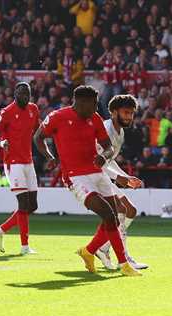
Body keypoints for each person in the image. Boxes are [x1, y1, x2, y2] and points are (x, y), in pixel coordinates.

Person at [34, 85, 141, 276]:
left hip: (98, 174)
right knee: (110, 215)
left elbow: (107, 148)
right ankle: (124, 264)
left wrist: (103, 156)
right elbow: (38, 137)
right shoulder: (57, 117)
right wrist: (50, 157)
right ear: (81, 102)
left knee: (115, 217)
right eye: (93, 105)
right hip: (76, 177)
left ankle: (89, 251)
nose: (96, 109)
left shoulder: (95, 119)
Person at [94, 94, 148, 270]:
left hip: (103, 174)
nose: (129, 117)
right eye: (126, 112)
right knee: (123, 210)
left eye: (131, 113)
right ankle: (123, 257)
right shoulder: (106, 129)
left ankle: (103, 248)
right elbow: (98, 161)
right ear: (114, 112)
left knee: (130, 210)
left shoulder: (120, 132)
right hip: (92, 175)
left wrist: (125, 176)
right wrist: (119, 178)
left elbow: (110, 161)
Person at [0, 82, 41, 255]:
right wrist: (1, 142)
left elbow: (38, 133)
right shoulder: (6, 112)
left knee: (32, 206)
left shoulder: (34, 109)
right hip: (13, 162)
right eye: (21, 93)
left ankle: (0, 230)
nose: (25, 97)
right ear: (15, 94)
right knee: (23, 204)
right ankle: (25, 246)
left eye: (28, 94)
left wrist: (48, 153)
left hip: (28, 161)